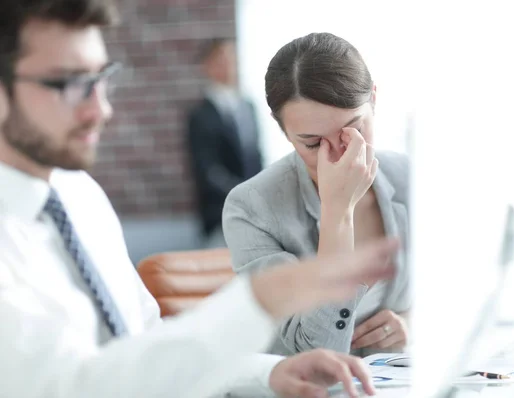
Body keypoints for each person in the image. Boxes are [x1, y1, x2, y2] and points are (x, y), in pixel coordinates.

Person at [0, 3, 401, 397]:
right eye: (68, 84)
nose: (101, 109)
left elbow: (146, 346)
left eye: (101, 77)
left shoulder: (79, 196)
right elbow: (69, 387)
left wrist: (271, 373)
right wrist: (255, 303)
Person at [222, 32, 412, 358]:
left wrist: (412, 326)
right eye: (312, 144)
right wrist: (338, 214)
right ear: (283, 129)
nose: (339, 154)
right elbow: (314, 352)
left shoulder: (409, 177)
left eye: (353, 129)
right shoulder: (251, 208)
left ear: (374, 100)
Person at [186, 37, 263, 249]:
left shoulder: (248, 106)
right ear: (207, 67)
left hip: (257, 212)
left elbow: (256, 155)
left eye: (232, 59)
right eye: (221, 60)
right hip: (220, 214)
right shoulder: (199, 115)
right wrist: (242, 195)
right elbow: (206, 169)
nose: (229, 66)